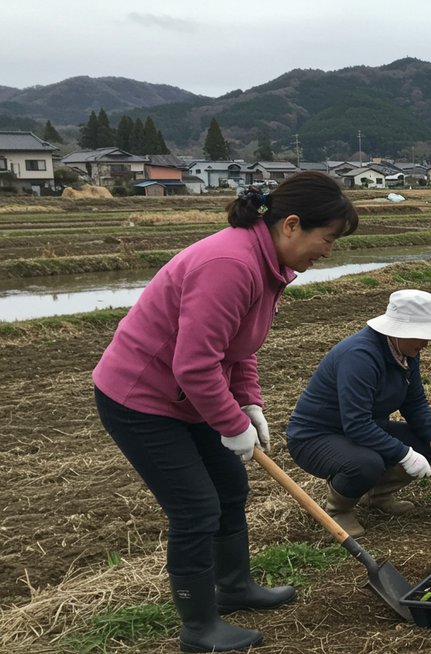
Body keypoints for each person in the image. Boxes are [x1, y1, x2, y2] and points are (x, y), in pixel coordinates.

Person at [92, 172, 358, 652]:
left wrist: (249, 400)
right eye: (328, 238)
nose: (328, 250)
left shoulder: (267, 264)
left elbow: (239, 346)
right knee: (195, 508)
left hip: (185, 397)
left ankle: (233, 587)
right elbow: (194, 365)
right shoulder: (230, 263)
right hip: (141, 399)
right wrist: (232, 424)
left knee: (230, 489)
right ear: (292, 225)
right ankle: (199, 628)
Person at [286, 290, 431, 537]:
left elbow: (415, 402)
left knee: (425, 446)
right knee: (366, 464)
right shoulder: (360, 356)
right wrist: (404, 454)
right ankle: (337, 510)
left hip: (362, 428)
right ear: (399, 330)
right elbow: (356, 424)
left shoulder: (406, 353)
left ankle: (378, 495)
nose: (426, 343)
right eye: (422, 335)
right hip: (316, 437)